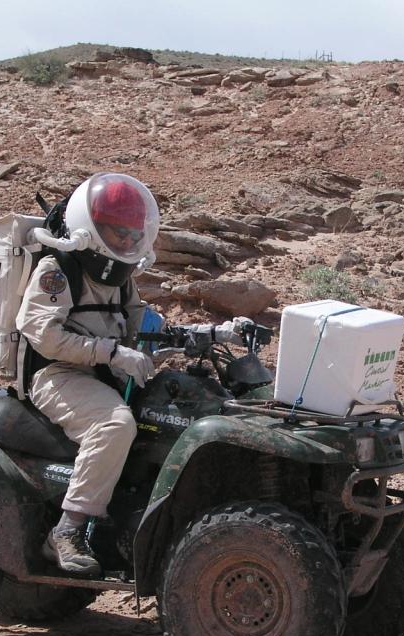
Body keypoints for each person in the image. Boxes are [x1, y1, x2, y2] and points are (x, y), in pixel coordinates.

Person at [16, 173, 241, 576]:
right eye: (115, 232)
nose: (124, 242)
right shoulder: (59, 269)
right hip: (58, 375)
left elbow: (145, 326)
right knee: (114, 424)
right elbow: (44, 336)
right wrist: (111, 352)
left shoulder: (120, 279)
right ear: (90, 226)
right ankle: (68, 530)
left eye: (130, 233)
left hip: (107, 373)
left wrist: (210, 333)